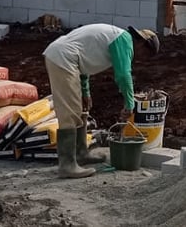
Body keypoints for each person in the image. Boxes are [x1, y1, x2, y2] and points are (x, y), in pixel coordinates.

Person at [41, 24, 160, 179]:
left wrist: (85, 92)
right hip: (63, 58)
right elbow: (123, 75)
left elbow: (84, 63)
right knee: (70, 112)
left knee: (81, 109)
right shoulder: (124, 41)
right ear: (142, 43)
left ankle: (81, 153)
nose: (141, 59)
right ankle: (67, 165)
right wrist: (129, 103)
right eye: (145, 55)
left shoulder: (115, 37)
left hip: (67, 57)